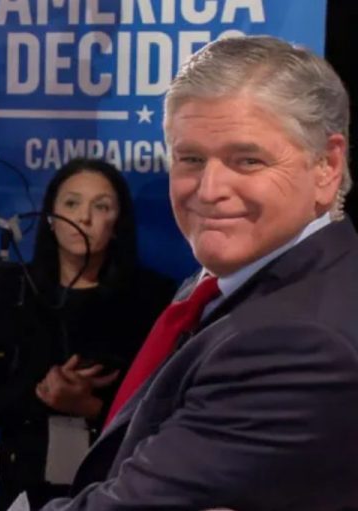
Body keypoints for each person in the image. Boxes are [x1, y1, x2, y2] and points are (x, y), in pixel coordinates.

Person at [25, 35, 358, 510]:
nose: (209, 189)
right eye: (191, 159)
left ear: (326, 165)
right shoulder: (227, 280)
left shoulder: (300, 342)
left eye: (247, 160)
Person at [0, 158, 174, 510]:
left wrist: (90, 407)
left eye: (100, 206)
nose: (83, 218)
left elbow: (165, 408)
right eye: (71, 203)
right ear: (50, 217)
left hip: (119, 482)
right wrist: (43, 394)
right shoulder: (9, 291)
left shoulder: (153, 298)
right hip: (25, 479)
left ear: (118, 222)